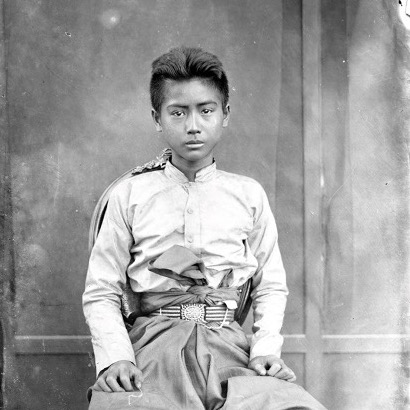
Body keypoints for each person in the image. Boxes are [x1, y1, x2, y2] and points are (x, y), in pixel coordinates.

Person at [83, 46, 326, 410]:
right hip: (151, 350)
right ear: (157, 118)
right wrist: (117, 357)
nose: (193, 125)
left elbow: (270, 285)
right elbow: (102, 289)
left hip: (231, 351)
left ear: (224, 114)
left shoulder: (248, 194)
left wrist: (264, 351)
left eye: (206, 110)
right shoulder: (130, 194)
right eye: (177, 112)